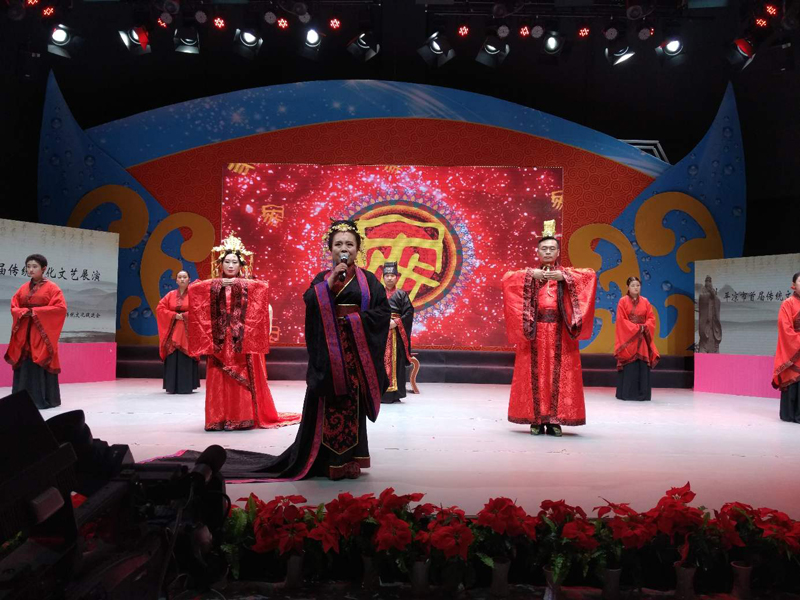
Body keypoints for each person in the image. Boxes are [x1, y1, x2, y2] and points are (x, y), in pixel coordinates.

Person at [187, 233, 300, 431]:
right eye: (227, 262)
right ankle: (218, 418)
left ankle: (240, 418)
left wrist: (237, 284)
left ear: (241, 266)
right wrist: (218, 285)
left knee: (240, 377)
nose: (230, 266)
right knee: (218, 376)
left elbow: (263, 290)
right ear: (221, 264)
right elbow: (194, 291)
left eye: (235, 262)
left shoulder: (249, 285)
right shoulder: (213, 285)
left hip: (241, 340)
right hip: (220, 340)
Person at [502, 223, 597, 436]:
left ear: (557, 252)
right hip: (535, 333)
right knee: (535, 375)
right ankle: (536, 419)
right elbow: (507, 278)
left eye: (552, 249)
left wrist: (565, 278)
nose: (547, 252)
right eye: (544, 249)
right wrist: (531, 275)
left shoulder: (565, 274)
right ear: (537, 252)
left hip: (559, 334)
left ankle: (555, 420)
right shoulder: (531, 274)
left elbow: (590, 275)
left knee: (558, 376)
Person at [5, 254, 67, 409]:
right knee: (24, 363)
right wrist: (22, 312)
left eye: (34, 266)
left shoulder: (53, 288)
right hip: (25, 331)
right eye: (28, 266)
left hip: (41, 333)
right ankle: (20, 400)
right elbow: (14, 306)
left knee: (39, 361)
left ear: (43, 269)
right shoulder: (23, 288)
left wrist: (35, 312)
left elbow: (60, 308)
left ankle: (43, 399)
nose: (30, 269)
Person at [614, 276, 660, 401]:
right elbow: (621, 320)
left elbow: (651, 318)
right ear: (628, 287)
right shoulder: (622, 301)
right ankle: (626, 393)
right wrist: (636, 328)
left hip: (643, 335)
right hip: (629, 337)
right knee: (629, 365)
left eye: (638, 285)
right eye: (633, 285)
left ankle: (642, 394)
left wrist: (644, 327)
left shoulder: (645, 301)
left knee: (642, 365)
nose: (636, 288)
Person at [156, 270, 200, 394]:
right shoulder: (170, 295)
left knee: (186, 356)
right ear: (176, 280)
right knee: (173, 356)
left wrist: (185, 316)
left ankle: (186, 386)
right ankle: (172, 386)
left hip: (188, 330)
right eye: (179, 277)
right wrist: (174, 315)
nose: (182, 279)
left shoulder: (194, 294)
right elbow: (160, 308)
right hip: (173, 328)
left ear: (189, 279)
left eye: (184, 277)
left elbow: (199, 309)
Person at [381, 261, 414, 404]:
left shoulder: (402, 294)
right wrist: (382, 321)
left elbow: (409, 312)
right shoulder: (378, 293)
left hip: (396, 334)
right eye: (387, 275)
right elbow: (371, 311)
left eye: (392, 276)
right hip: (381, 333)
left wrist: (396, 322)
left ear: (397, 277)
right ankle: (380, 393)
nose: (389, 278)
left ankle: (395, 394)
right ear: (383, 277)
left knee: (397, 362)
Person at [773, 271, 800, 423]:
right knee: (793, 382)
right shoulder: (787, 304)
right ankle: (790, 415)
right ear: (793, 285)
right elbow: (785, 328)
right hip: (793, 351)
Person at [698, 275, 722, 353]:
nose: (708, 283)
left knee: (714, 345)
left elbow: (718, 301)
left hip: (713, 325)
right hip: (706, 325)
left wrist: (713, 296)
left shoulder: (714, 294)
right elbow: (701, 298)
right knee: (704, 345)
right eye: (707, 281)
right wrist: (708, 295)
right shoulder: (703, 293)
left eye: (709, 281)